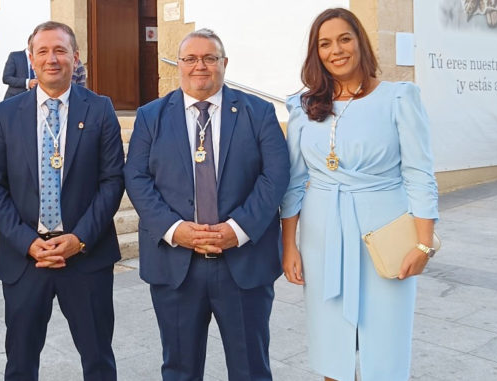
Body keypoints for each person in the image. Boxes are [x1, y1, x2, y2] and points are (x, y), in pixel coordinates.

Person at [280, 8, 438, 381]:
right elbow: (293, 182)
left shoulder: (399, 98)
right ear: (316, 53)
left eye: (344, 39)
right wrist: (289, 245)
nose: (336, 50)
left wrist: (424, 245)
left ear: (360, 43)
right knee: (330, 342)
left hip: (384, 234)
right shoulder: (303, 107)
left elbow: (419, 174)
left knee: (384, 344)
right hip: (322, 236)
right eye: (325, 43)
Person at [124, 28, 290, 381]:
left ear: (224, 63)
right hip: (176, 265)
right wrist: (174, 230)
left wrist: (237, 229)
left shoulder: (257, 113)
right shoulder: (151, 116)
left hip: (243, 264)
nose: (200, 66)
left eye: (209, 58)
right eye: (190, 58)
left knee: (251, 369)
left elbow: (275, 176)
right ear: (178, 65)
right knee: (179, 369)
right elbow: (136, 177)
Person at [0, 21, 124, 380]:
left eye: (60, 50)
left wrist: (80, 239)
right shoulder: (5, 114)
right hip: (26, 260)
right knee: (20, 363)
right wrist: (26, 242)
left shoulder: (100, 109)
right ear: (31, 59)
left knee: (98, 360)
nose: (52, 58)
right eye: (42, 51)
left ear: (76, 58)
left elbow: (112, 180)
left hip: (85, 256)